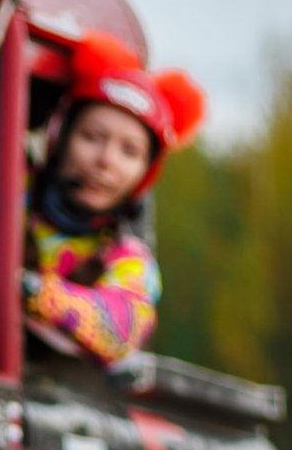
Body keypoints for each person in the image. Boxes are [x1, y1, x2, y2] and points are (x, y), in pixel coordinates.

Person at [25, 32, 205, 366]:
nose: (106, 160)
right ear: (59, 137)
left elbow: (122, 326)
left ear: (146, 173)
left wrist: (39, 294)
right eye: (92, 137)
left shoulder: (128, 258)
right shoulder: (6, 187)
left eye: (129, 151)